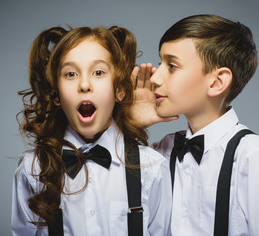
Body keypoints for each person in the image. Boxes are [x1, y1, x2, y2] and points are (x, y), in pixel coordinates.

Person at [132, 14, 259, 235]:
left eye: (171, 66)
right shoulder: (164, 149)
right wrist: (131, 123)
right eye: (160, 62)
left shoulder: (252, 156)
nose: (155, 78)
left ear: (217, 82)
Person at [12, 25, 172, 236]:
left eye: (98, 72)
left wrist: (129, 123)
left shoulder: (152, 168)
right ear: (56, 94)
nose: (85, 84)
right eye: (70, 74)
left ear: (120, 90)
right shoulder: (33, 169)